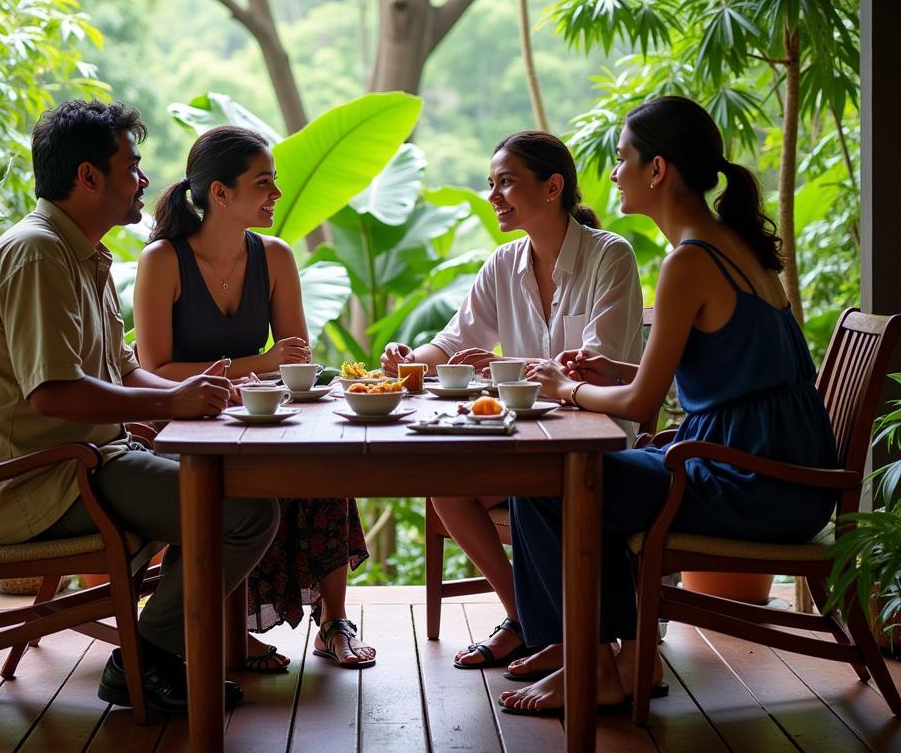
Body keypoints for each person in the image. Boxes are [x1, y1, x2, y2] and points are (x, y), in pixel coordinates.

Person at [500, 96, 838, 717]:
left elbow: (641, 403)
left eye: (623, 159)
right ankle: (620, 658)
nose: (614, 174)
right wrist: (613, 369)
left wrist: (565, 389)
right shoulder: (729, 243)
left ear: (658, 170)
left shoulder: (689, 260)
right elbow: (724, 375)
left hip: (753, 481)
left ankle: (595, 667)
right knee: (582, 473)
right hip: (782, 472)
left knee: (549, 477)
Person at [0, 101, 280, 717]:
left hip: (84, 460)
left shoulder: (80, 251)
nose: (146, 181)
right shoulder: (38, 255)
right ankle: (144, 659)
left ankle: (152, 655)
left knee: (231, 490)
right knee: (242, 512)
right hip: (39, 483)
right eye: (132, 166)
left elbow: (118, 366)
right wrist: (167, 399)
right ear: (89, 177)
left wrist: (177, 396)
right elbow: (53, 391)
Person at [380, 131, 643, 672]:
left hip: (594, 444)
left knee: (509, 487)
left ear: (552, 187)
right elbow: (453, 342)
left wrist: (513, 372)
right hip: (525, 440)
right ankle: (524, 618)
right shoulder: (505, 262)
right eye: (491, 184)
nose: (495, 195)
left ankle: (563, 636)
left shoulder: (609, 257)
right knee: (446, 487)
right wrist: (408, 361)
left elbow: (595, 365)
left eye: (506, 183)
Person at [134, 126, 375, 670]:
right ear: (220, 193)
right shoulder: (162, 262)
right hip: (185, 428)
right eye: (264, 183)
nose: (277, 194)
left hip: (259, 418)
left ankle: (334, 623)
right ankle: (225, 628)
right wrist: (257, 366)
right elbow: (156, 370)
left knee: (323, 471)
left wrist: (269, 370)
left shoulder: (276, 257)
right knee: (234, 491)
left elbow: (296, 358)